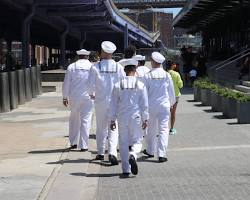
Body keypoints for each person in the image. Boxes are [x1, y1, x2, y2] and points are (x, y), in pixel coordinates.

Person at [109, 58, 149, 176]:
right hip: (135, 117)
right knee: (137, 140)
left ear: (125, 70)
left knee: (123, 142)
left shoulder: (117, 85)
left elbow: (113, 104)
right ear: (135, 69)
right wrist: (145, 118)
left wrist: (112, 119)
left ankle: (125, 169)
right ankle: (134, 154)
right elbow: (144, 104)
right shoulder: (140, 85)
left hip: (122, 117)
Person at [88, 41, 125, 165]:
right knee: (113, 127)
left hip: (100, 101)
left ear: (103, 52)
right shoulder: (119, 67)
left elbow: (90, 86)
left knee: (101, 127)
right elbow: (123, 84)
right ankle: (113, 152)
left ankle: (100, 152)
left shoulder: (95, 67)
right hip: (115, 102)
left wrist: (92, 94)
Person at [143, 52, 175, 162]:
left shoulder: (147, 75)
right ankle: (162, 154)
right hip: (164, 106)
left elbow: (144, 94)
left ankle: (150, 150)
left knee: (151, 129)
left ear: (153, 61)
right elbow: (171, 92)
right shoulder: (167, 75)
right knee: (164, 129)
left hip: (151, 106)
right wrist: (171, 104)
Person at [62, 49, 94, 151]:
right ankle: (84, 145)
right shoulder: (92, 67)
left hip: (74, 97)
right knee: (86, 120)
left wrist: (65, 96)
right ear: (87, 57)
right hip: (88, 97)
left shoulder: (71, 67)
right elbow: (95, 83)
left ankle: (73, 142)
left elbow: (66, 83)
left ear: (78, 56)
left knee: (74, 119)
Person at [168, 63, 183, 135]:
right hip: (175, 95)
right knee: (173, 112)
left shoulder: (165, 74)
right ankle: (172, 129)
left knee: (165, 113)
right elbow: (181, 85)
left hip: (166, 96)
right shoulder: (176, 74)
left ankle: (162, 129)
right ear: (172, 65)